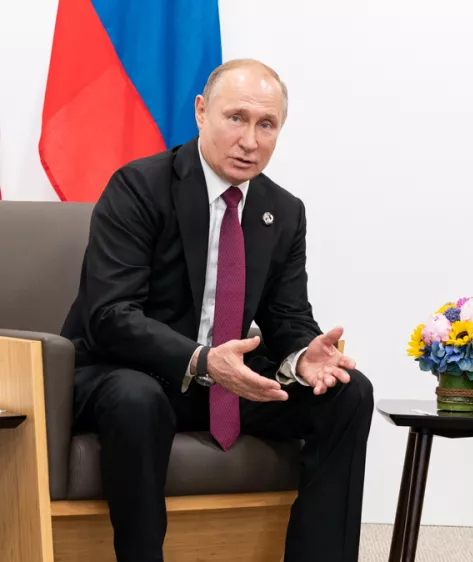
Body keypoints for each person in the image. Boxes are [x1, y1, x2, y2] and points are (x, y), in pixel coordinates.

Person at [61, 59, 373, 562]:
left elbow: (288, 317)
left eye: (266, 125)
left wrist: (302, 358)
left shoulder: (284, 210)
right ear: (202, 112)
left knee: (347, 393)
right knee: (137, 398)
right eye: (237, 118)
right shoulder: (139, 187)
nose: (250, 140)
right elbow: (110, 315)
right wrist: (204, 361)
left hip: (225, 381)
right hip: (128, 371)